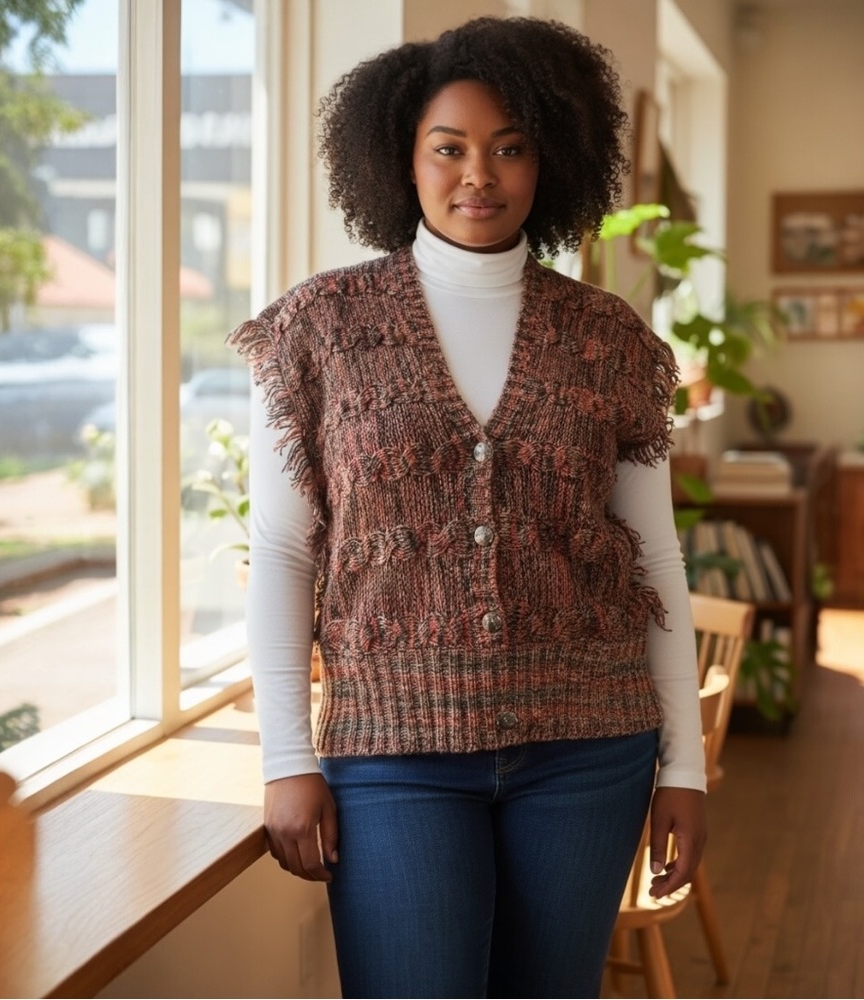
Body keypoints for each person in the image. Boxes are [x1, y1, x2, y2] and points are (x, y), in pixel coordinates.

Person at [230, 15, 706, 999]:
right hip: (392, 752)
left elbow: (653, 558)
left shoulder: (606, 340)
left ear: (550, 160)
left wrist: (686, 769)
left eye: (509, 147)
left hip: (590, 749)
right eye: (447, 148)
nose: (476, 174)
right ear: (402, 160)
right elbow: (282, 549)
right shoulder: (319, 329)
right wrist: (285, 757)